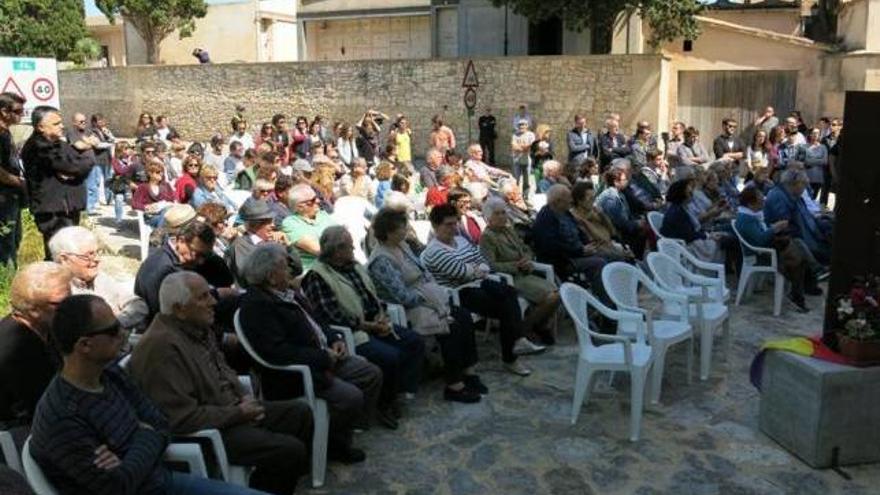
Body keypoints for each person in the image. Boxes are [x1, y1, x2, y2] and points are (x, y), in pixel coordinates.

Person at [30, 294, 265, 495]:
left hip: (161, 482)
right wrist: (144, 435)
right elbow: (117, 486)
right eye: (113, 330)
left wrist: (131, 452)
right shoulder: (62, 416)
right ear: (85, 346)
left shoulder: (110, 375)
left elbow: (161, 423)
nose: (123, 333)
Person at [130, 272, 313, 494]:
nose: (213, 302)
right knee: (290, 451)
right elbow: (180, 418)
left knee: (300, 413)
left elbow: (224, 369)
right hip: (209, 431)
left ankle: (268, 484)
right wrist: (238, 413)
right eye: (203, 297)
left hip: (231, 411)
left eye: (210, 294)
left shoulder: (196, 327)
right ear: (179, 309)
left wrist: (242, 394)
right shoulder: (161, 348)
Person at [239, 243, 380, 463]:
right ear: (271, 276)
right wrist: (323, 357)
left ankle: (340, 432)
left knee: (371, 374)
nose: (291, 271)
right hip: (298, 373)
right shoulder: (257, 305)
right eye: (285, 267)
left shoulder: (288, 293)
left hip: (323, 358)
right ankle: (331, 444)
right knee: (350, 397)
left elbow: (317, 321)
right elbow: (277, 352)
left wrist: (335, 339)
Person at [301, 227, 425, 427]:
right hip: (354, 331)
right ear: (338, 250)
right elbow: (331, 317)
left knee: (414, 342)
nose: (353, 249)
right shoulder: (317, 276)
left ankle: (398, 391)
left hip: (375, 322)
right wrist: (370, 326)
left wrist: (382, 316)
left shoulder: (354, 266)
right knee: (389, 356)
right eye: (350, 246)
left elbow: (373, 296)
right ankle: (384, 405)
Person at [367, 208, 483, 402]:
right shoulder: (381, 260)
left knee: (462, 315)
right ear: (388, 232)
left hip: (426, 296)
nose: (406, 230)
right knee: (451, 326)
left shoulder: (402, 246)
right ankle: (454, 385)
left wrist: (433, 291)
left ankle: (469, 372)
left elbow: (423, 270)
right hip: (409, 307)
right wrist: (429, 299)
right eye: (402, 227)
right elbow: (401, 295)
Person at [421, 204, 544, 376]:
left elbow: (482, 262)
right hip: (458, 293)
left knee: (509, 292)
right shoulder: (433, 251)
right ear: (435, 226)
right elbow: (461, 273)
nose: (453, 228)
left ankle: (516, 344)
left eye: (455, 223)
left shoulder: (462, 241)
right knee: (506, 306)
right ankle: (512, 354)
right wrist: (475, 270)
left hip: (479, 284)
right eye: (447, 225)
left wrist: (475, 270)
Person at [0, 262, 70, 444]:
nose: (70, 308)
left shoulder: (45, 328)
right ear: (32, 309)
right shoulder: (18, 349)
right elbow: (46, 407)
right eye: (60, 303)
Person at [479, 197, 560, 343]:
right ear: (489, 217)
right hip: (510, 279)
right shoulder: (487, 237)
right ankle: (527, 328)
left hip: (525, 273)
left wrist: (527, 259)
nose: (502, 216)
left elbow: (525, 249)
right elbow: (491, 265)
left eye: (504, 212)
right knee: (551, 297)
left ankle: (536, 325)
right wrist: (516, 265)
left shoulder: (509, 230)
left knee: (557, 293)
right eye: (497, 213)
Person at [21, 106, 97, 259]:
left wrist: (80, 165)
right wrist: (87, 157)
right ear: (41, 127)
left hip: (68, 209)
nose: (61, 126)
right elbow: (73, 167)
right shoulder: (38, 147)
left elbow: (76, 166)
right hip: (54, 213)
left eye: (60, 122)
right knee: (61, 256)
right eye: (56, 124)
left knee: (70, 255)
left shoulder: (58, 144)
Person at [735, 187, 820, 312]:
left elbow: (760, 234)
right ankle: (804, 285)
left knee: (797, 243)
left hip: (766, 249)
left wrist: (774, 228)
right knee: (797, 259)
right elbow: (760, 239)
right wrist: (774, 228)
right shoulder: (746, 219)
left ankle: (806, 281)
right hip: (760, 254)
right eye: (760, 201)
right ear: (750, 204)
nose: (764, 202)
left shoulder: (751, 215)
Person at [49, 226, 148, 332]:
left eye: (97, 253)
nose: (97, 259)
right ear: (64, 259)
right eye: (88, 255)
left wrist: (115, 322)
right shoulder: (59, 291)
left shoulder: (99, 277)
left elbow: (139, 306)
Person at [134, 220, 236, 319]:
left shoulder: (171, 257)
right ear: (181, 241)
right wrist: (216, 294)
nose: (200, 261)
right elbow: (172, 312)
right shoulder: (165, 270)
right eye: (196, 254)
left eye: (205, 255)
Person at [532, 184, 608, 291]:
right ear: (558, 201)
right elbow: (553, 247)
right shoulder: (545, 219)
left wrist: (588, 244)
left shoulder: (565, 212)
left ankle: (617, 294)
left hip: (579, 251)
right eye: (568, 198)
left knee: (611, 254)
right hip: (566, 260)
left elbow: (579, 231)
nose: (571, 200)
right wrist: (580, 250)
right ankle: (607, 302)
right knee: (599, 263)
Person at [764, 169, 832, 265]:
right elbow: (783, 225)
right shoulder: (778, 196)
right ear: (793, 183)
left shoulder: (794, 196)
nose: (806, 187)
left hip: (813, 237)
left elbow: (809, 218)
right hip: (800, 242)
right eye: (804, 184)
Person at [227, 199, 300, 286]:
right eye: (268, 222)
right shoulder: (240, 246)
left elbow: (297, 269)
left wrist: (288, 246)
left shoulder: (276, 242)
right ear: (255, 225)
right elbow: (248, 279)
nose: (273, 225)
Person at [661, 179, 725, 262]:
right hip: (686, 246)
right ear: (681, 195)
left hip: (691, 239)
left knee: (725, 238)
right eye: (690, 193)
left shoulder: (681, 208)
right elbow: (689, 235)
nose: (692, 196)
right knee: (725, 241)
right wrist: (708, 236)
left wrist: (708, 234)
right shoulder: (677, 212)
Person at [570, 181, 634, 262]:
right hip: (598, 250)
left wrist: (602, 216)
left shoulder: (593, 210)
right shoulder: (576, 217)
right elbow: (593, 241)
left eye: (594, 197)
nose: (593, 201)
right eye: (590, 198)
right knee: (623, 256)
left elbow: (612, 232)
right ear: (579, 201)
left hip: (609, 244)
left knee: (628, 251)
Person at [594, 167, 648, 258]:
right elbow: (618, 223)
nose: (627, 181)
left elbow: (627, 214)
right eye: (624, 179)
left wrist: (637, 220)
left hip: (623, 227)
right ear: (616, 182)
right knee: (642, 233)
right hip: (614, 233)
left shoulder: (620, 194)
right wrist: (636, 224)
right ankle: (633, 259)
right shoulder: (611, 198)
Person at [282, 183, 338, 271]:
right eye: (313, 200)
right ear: (300, 206)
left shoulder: (322, 215)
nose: (318, 201)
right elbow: (317, 249)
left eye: (317, 197)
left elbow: (342, 237)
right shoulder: (290, 223)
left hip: (334, 266)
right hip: (311, 272)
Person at [0, 92, 26, 267]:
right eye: (17, 111)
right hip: (3, 197)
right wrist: (20, 182)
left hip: (12, 195)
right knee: (7, 245)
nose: (21, 115)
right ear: (3, 111)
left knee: (15, 239)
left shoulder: (6, 132)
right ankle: (9, 286)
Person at [64, 113, 101, 215]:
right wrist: (90, 142)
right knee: (86, 187)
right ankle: (87, 209)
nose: (84, 123)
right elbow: (79, 146)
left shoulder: (87, 131)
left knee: (93, 186)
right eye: (81, 121)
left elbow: (97, 141)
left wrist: (87, 141)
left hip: (92, 164)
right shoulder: (72, 132)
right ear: (74, 123)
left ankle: (91, 207)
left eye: (85, 121)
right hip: (80, 165)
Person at [132, 159, 175, 227]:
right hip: (151, 216)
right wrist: (146, 207)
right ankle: (159, 234)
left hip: (166, 214)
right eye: (158, 172)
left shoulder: (166, 185)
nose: (161, 174)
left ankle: (158, 234)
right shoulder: (143, 187)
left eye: (162, 172)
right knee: (164, 219)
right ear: (150, 173)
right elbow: (134, 204)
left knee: (165, 215)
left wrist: (162, 203)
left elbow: (172, 200)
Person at [803, 127, 829, 201]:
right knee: (806, 199)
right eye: (814, 133)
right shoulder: (804, 147)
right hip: (806, 177)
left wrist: (811, 160)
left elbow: (825, 161)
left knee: (813, 198)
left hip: (818, 177)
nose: (815, 135)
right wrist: (818, 160)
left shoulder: (823, 147)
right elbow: (805, 161)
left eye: (817, 133)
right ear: (810, 134)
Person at [510, 119, 536, 194]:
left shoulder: (531, 135)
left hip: (527, 159)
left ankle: (526, 195)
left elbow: (531, 146)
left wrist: (521, 147)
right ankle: (515, 194)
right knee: (516, 179)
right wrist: (525, 148)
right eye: (520, 125)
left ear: (527, 126)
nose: (521, 126)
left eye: (523, 124)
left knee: (527, 179)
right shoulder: (515, 135)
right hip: (516, 160)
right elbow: (514, 147)